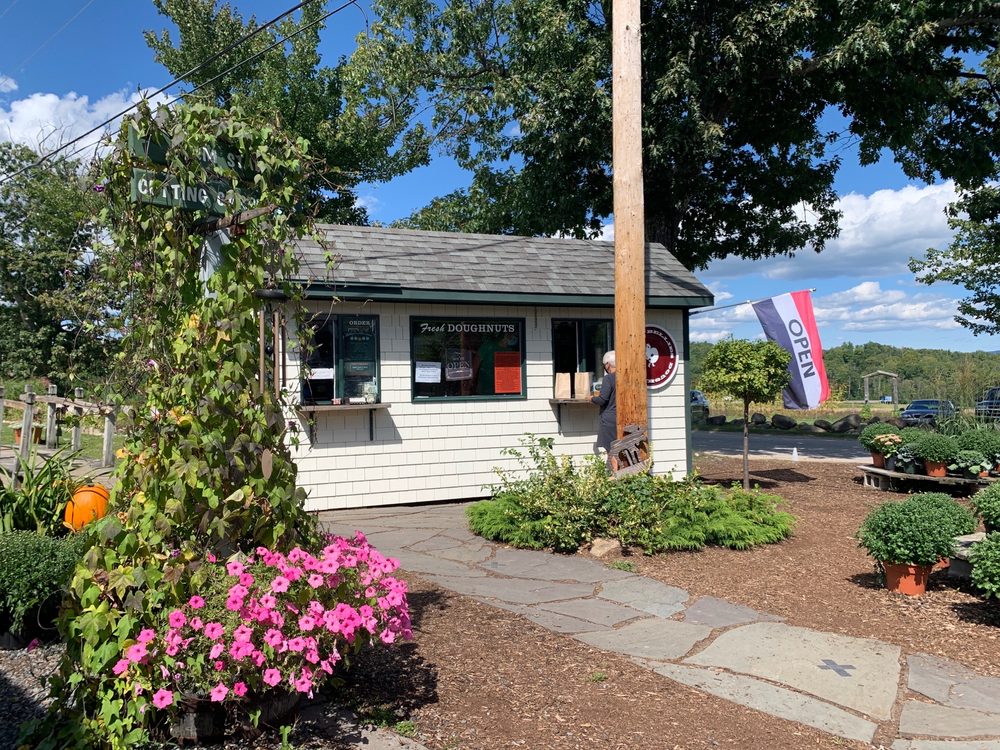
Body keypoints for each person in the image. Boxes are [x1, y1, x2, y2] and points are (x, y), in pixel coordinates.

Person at [591, 350, 618, 472]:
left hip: (609, 418)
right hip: (620, 417)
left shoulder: (608, 379)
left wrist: (591, 398)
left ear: (608, 364)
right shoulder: (624, 376)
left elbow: (602, 399)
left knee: (611, 448)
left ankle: (615, 474)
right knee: (620, 447)